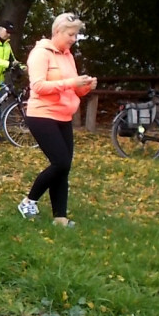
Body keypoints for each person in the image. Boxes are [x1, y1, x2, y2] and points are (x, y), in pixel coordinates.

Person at [17, 12, 97, 227]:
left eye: (76, 35)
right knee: (60, 162)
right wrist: (71, 82)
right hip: (42, 115)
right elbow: (38, 86)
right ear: (57, 32)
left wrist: (86, 86)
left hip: (63, 115)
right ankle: (28, 201)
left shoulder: (68, 55)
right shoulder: (40, 54)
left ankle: (60, 218)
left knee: (64, 167)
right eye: (71, 34)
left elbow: (75, 90)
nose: (73, 39)